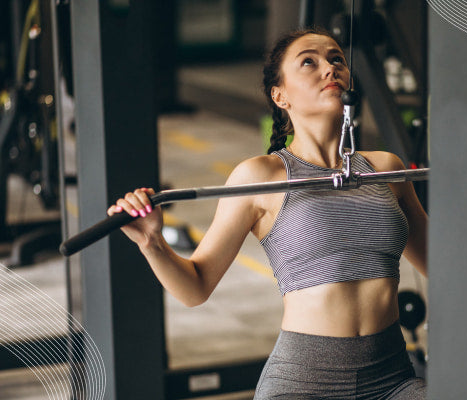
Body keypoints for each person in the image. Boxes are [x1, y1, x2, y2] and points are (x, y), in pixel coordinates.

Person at [108, 28, 428, 399]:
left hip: (392, 377)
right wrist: (151, 241)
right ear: (280, 96)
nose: (329, 68)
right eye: (309, 61)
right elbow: (195, 288)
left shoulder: (387, 169)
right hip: (305, 382)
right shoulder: (261, 177)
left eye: (336, 59)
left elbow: (445, 264)